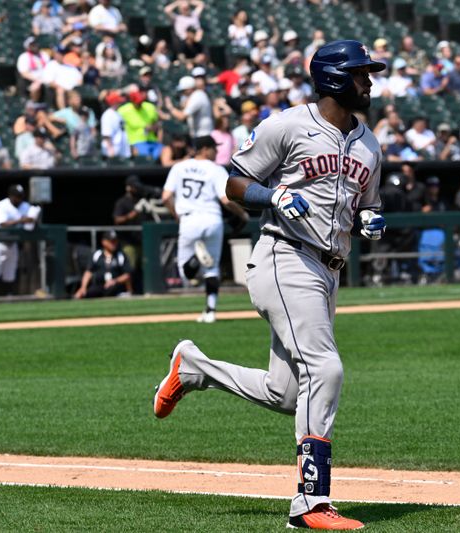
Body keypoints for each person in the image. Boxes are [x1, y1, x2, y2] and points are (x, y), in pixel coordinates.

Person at [152, 40, 385, 530]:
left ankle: (194, 368)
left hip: (328, 270)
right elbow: (234, 183)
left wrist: (370, 218)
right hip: (284, 256)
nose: (370, 81)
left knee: (286, 393)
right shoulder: (287, 125)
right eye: (363, 73)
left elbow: (368, 201)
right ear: (337, 78)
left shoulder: (369, 144)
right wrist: (275, 194)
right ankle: (310, 503)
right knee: (326, 369)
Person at [161, 135, 248, 322]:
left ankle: (196, 261)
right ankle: (210, 311)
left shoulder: (178, 167)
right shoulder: (216, 169)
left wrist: (176, 215)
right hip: (212, 218)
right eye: (214, 148)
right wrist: (242, 214)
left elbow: (166, 197)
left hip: (189, 219)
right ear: (205, 149)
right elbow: (226, 200)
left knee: (186, 273)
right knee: (212, 268)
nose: (216, 151)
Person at [0, 185, 40, 296]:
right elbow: (2, 224)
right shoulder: (1, 206)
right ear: (11, 196)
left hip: (12, 244)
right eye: (16, 196)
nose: (19, 199)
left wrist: (33, 217)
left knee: (10, 274)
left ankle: (8, 298)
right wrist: (21, 220)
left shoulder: (25, 206)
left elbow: (32, 219)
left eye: (20, 196)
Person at [113, 175, 161, 276]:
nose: (136, 189)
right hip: (129, 242)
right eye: (134, 186)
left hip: (143, 241)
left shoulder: (142, 199)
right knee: (129, 269)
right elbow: (117, 219)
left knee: (147, 267)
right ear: (128, 187)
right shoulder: (122, 202)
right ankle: (129, 291)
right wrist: (131, 215)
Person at [74, 230, 132, 298]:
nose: (114, 243)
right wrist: (83, 287)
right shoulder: (97, 254)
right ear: (104, 242)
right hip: (99, 286)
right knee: (85, 294)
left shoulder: (120, 255)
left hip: (115, 287)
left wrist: (115, 281)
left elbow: (127, 275)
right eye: (111, 241)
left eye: (115, 241)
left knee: (112, 289)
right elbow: (88, 272)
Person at [118, 87, 163, 161]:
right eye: (137, 102)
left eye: (141, 102)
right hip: (135, 142)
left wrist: (152, 128)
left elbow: (158, 125)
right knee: (145, 159)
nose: (140, 104)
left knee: (165, 152)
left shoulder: (149, 107)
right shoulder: (123, 110)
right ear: (132, 101)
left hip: (152, 140)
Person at [100, 90, 130, 159]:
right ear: (113, 102)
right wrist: (110, 149)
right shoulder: (107, 115)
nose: (120, 102)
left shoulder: (118, 113)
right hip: (112, 151)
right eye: (118, 101)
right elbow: (106, 135)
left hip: (120, 150)